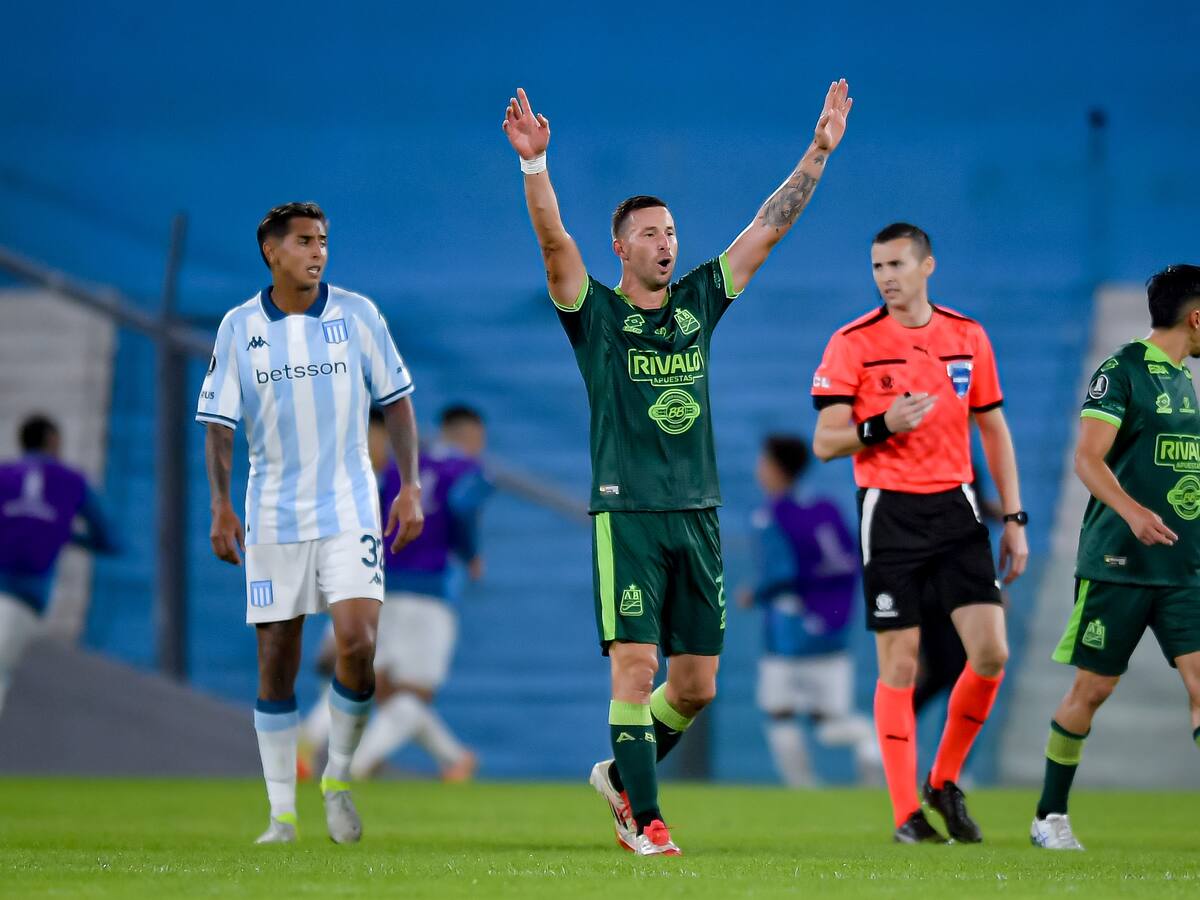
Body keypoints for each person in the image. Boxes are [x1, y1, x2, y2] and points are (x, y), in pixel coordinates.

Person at [503, 79, 853, 855]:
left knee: (694, 687)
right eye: (651, 234)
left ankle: (620, 774)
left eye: (672, 231)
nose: (668, 243)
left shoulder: (700, 302)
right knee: (635, 663)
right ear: (621, 247)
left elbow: (767, 228)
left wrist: (820, 151)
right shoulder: (594, 315)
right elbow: (554, 245)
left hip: (698, 513)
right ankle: (645, 819)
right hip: (626, 513)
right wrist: (535, 167)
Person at [197, 202, 424, 845]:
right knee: (277, 661)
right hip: (272, 513)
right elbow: (218, 424)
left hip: (350, 506)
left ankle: (339, 778)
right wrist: (220, 504)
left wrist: (409, 486)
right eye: (303, 242)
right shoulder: (240, 327)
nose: (317, 251)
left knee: (357, 642)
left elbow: (399, 403)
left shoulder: (357, 315)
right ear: (272, 251)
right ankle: (281, 816)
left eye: (322, 241)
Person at [811, 222, 1029, 844]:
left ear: (927, 265)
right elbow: (826, 442)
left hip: (958, 511)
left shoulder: (966, 337)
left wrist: (1012, 519)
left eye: (897, 265)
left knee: (991, 653)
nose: (886, 277)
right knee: (900, 664)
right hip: (890, 513)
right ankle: (907, 813)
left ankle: (945, 780)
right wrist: (881, 424)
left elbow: (993, 431)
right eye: (877, 267)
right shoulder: (853, 343)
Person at [1031, 264, 1200, 851]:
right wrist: (1132, 513)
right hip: (1119, 566)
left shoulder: (1184, 381)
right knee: (1092, 692)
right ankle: (1049, 815)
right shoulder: (1121, 371)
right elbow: (1088, 458)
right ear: (1196, 317)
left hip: (1183, 570)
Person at [299, 405, 492, 781]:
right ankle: (353, 767)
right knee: (412, 695)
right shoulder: (467, 470)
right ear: (473, 436)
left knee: (371, 683)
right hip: (429, 595)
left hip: (381, 589)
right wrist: (471, 553)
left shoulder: (393, 469)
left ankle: (453, 759)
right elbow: (462, 506)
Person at [737, 434, 872, 787]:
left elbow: (782, 573)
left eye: (763, 462)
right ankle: (871, 744)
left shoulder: (772, 515)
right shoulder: (826, 509)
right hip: (833, 629)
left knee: (779, 711)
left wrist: (755, 593)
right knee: (829, 724)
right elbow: (849, 561)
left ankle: (803, 786)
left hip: (790, 632)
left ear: (776, 469)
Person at [0, 414, 117, 719]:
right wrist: (67, 534)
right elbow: (110, 539)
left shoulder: (4, 475)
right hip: (25, 594)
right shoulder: (71, 482)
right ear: (53, 441)